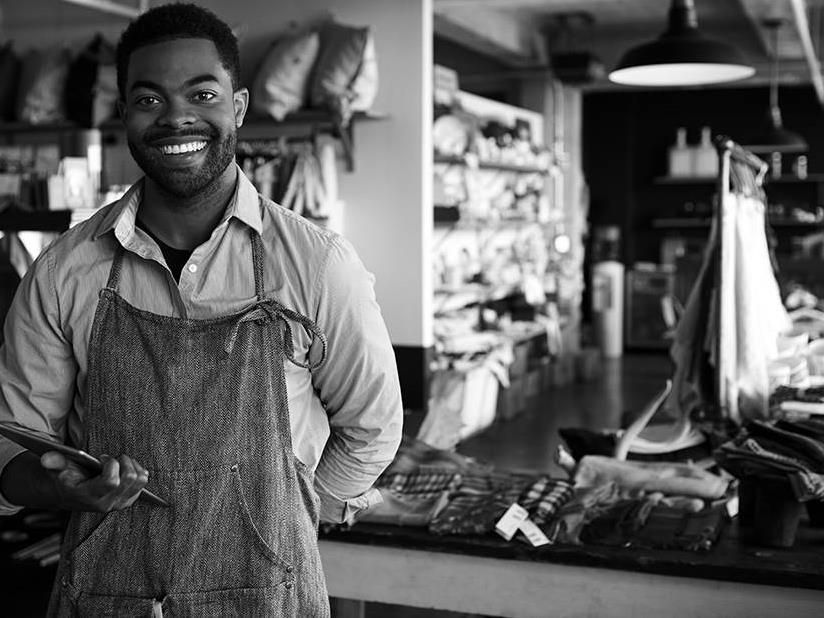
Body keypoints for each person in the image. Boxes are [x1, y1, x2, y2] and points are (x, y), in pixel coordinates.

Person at [0, 3, 402, 616]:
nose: (176, 117)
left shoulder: (317, 265)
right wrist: (57, 487)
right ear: (125, 113)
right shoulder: (64, 272)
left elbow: (373, 428)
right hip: (107, 596)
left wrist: (290, 520)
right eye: (149, 99)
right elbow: (10, 454)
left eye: (202, 93)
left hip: (273, 596)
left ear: (238, 107)